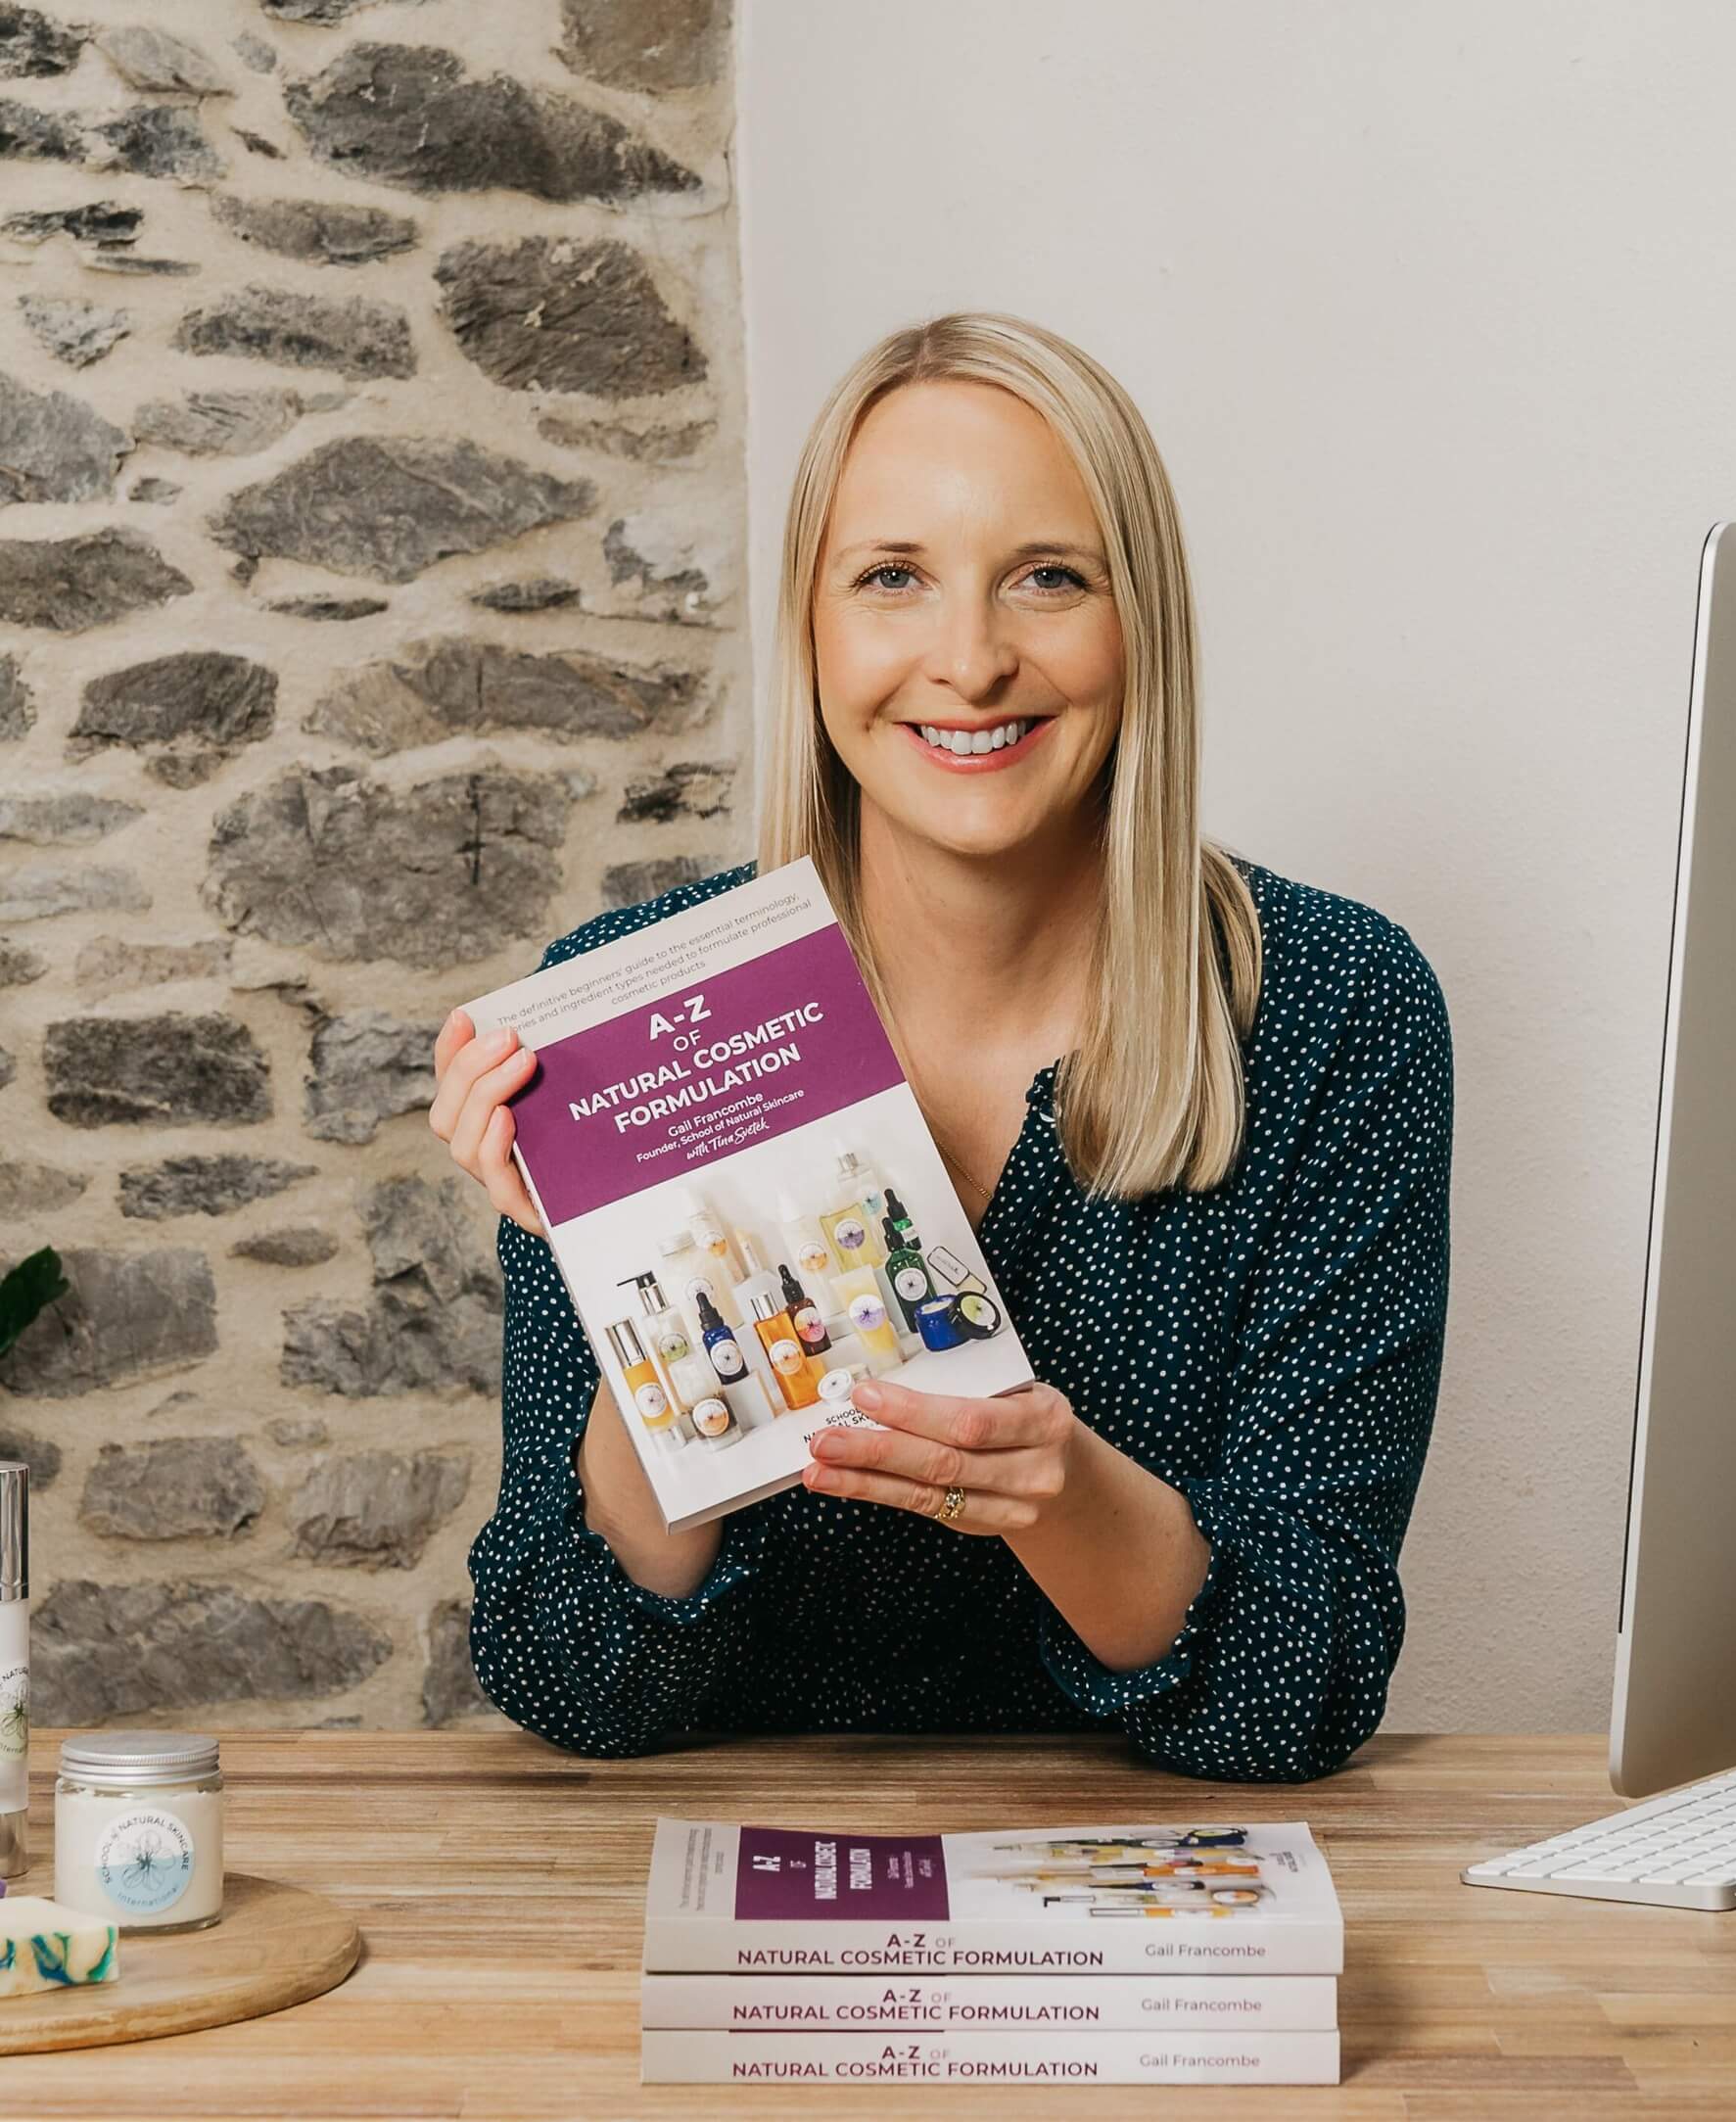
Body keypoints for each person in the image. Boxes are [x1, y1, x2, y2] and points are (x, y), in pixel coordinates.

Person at [428, 311, 1453, 1782]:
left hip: (1155, 1908)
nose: (968, 662)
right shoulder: (622, 1013)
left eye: (1047, 578)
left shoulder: (1334, 1010)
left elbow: (1305, 1686)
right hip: (730, 1882)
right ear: (814, 628)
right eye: (893, 580)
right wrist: (641, 1271)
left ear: (1139, 620)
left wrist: (1050, 1488)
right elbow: (577, 1682)